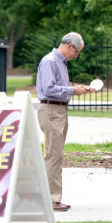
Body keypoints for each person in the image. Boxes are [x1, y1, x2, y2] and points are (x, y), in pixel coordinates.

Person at [36, 32, 93, 212]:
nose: (76, 56)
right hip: (51, 109)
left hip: (59, 110)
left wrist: (75, 89)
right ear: (69, 46)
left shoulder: (60, 62)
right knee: (53, 155)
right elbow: (49, 89)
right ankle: (52, 200)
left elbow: (57, 86)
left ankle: (52, 197)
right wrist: (72, 90)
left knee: (56, 154)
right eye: (76, 52)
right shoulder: (50, 61)